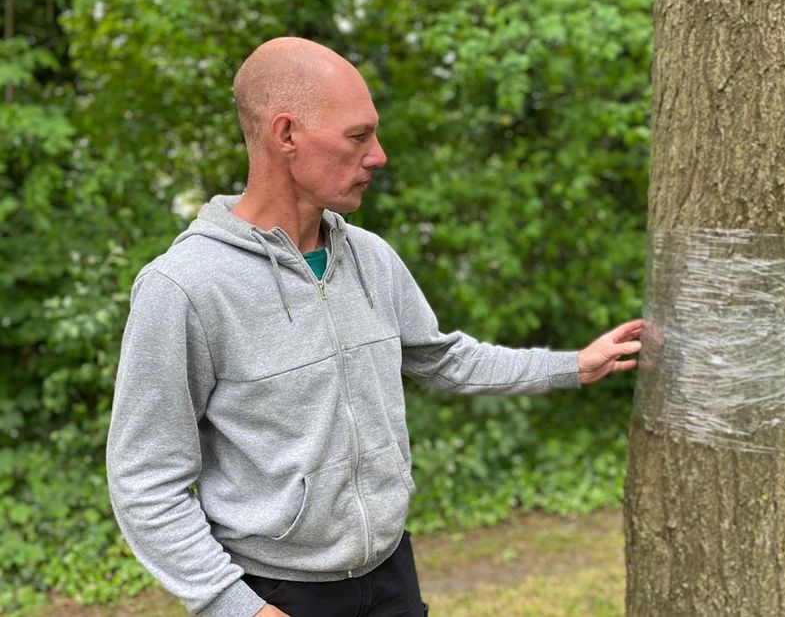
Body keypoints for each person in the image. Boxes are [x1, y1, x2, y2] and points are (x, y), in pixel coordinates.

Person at [105, 37, 641, 617]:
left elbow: (443, 359)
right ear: (286, 135)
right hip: (275, 595)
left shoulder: (370, 257)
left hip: (389, 578)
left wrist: (571, 365)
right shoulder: (186, 287)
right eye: (358, 137)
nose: (378, 155)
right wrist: (234, 607)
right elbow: (145, 479)